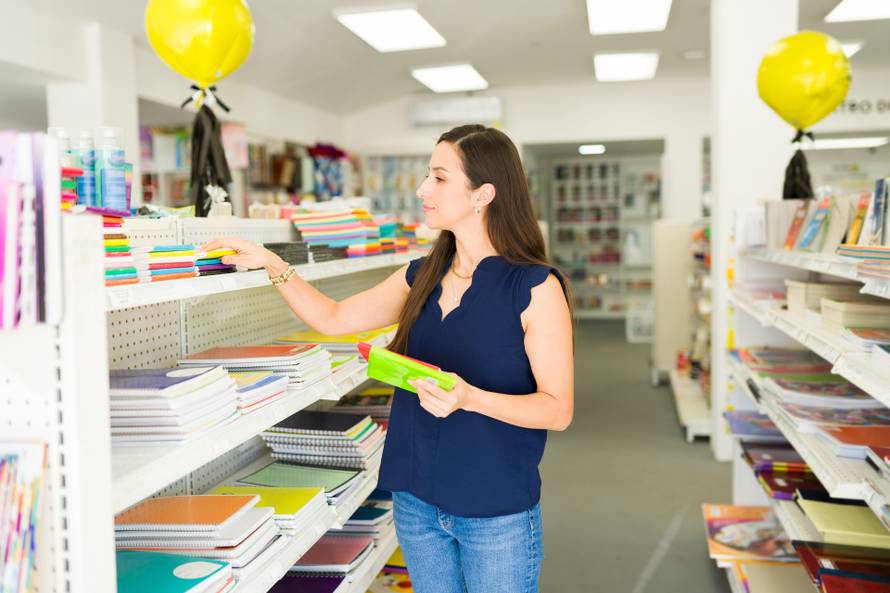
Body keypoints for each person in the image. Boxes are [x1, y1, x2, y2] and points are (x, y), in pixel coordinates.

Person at [202, 124, 574, 593]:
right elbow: (334, 318)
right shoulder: (422, 274)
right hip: (416, 501)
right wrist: (272, 264)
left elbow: (557, 409)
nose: (423, 189)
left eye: (439, 178)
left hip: (494, 510)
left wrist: (469, 398)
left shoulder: (536, 287)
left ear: (483, 194)